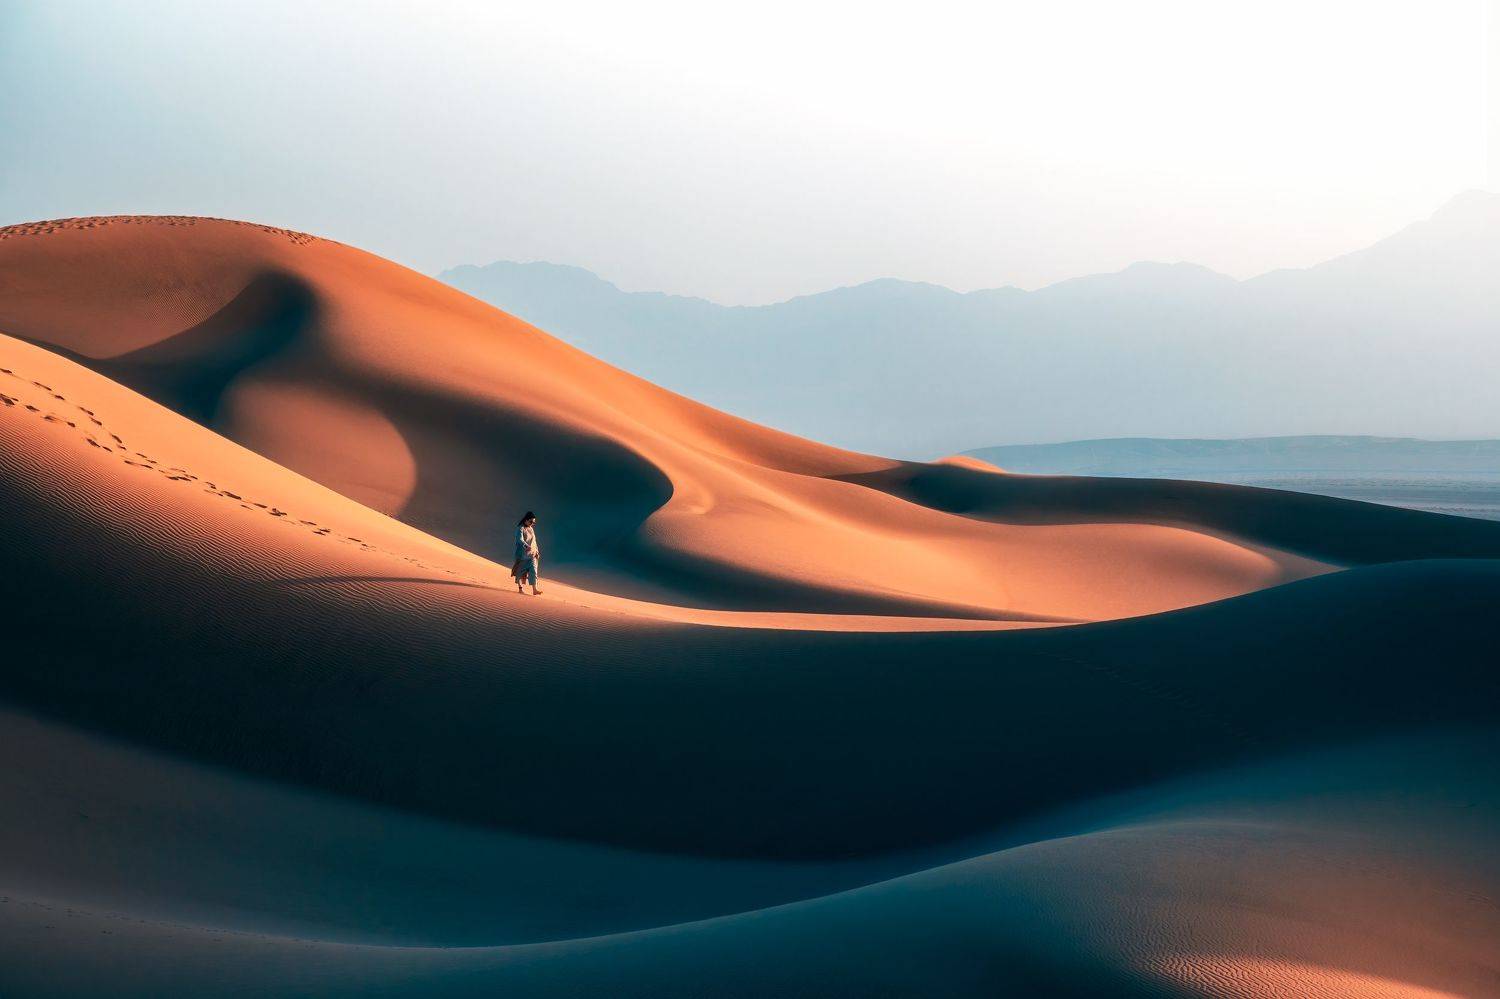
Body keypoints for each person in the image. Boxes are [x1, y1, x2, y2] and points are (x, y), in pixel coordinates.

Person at [512, 511, 542, 595]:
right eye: (531, 521)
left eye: (534, 522)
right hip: (522, 555)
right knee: (519, 572)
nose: (532, 523)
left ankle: (535, 590)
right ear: (526, 520)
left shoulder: (531, 529)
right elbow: (519, 540)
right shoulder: (520, 528)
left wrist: (537, 551)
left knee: (534, 571)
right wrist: (526, 546)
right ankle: (520, 589)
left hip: (532, 554)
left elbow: (534, 541)